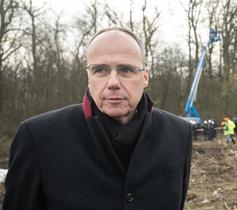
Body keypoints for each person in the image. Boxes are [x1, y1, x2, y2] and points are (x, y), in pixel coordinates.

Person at [3, 27, 193, 210]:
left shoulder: (179, 133)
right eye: (100, 70)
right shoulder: (39, 137)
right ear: (88, 76)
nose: (112, 82)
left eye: (126, 69)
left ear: (145, 77)